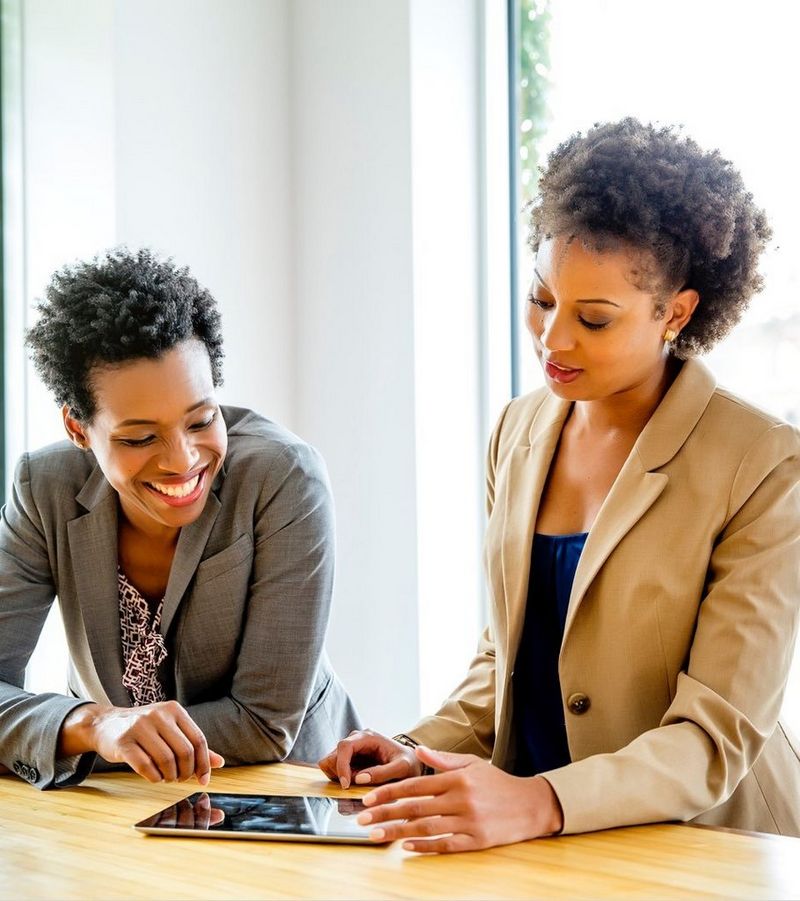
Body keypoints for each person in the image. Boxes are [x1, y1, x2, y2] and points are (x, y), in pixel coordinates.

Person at [319, 117, 800, 851]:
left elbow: (715, 737)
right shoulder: (517, 430)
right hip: (545, 847)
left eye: (595, 319)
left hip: (713, 848)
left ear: (676, 311)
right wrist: (412, 749)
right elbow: (506, 661)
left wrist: (540, 800)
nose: (552, 339)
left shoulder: (764, 463)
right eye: (542, 299)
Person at [0, 247, 359, 790]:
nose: (182, 460)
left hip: (291, 795)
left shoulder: (284, 477)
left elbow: (263, 724)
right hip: (111, 809)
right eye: (140, 437)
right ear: (78, 428)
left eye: (201, 419)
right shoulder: (44, 487)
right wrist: (92, 723)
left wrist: (75, 739)